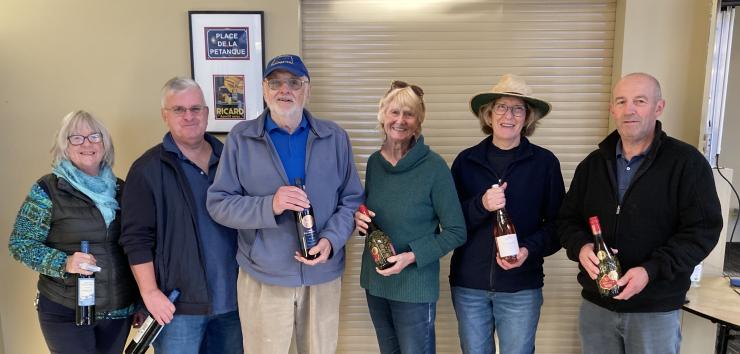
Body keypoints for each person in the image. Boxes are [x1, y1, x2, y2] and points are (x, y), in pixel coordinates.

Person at [206, 54, 363, 354]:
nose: (284, 90)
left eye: (294, 82)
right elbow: (219, 204)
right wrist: (271, 206)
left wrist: (331, 240)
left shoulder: (335, 137)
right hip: (263, 276)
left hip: (322, 276)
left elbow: (352, 199)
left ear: (307, 89)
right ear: (264, 90)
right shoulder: (242, 138)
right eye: (275, 82)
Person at [558, 72, 723, 354]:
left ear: (659, 107)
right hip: (597, 308)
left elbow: (703, 231)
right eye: (621, 101)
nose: (629, 109)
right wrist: (581, 245)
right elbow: (566, 220)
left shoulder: (686, 163)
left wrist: (651, 270)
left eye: (640, 101)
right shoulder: (593, 164)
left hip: (654, 310)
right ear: (612, 109)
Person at [119, 77, 242, 354]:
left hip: (233, 303)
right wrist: (150, 294)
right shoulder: (147, 169)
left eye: (196, 108)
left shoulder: (230, 161)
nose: (189, 116)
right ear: (165, 116)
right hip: (177, 307)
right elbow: (136, 239)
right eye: (179, 110)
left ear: (207, 113)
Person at [448, 74, 565, 354]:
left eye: (517, 108)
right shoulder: (466, 162)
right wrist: (481, 205)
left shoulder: (544, 163)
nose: (508, 115)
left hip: (521, 288)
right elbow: (450, 223)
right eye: (501, 107)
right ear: (488, 115)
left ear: (528, 118)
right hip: (469, 287)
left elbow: (559, 226)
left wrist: (527, 250)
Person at [8, 110, 137, 354]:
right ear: (64, 147)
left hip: (119, 311)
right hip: (65, 309)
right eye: (76, 138)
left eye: (94, 137)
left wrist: (139, 301)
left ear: (105, 144)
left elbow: (135, 248)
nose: (86, 144)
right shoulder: (48, 189)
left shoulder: (123, 189)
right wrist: (64, 262)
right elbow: (21, 244)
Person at [353, 80, 466, 354]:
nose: (400, 120)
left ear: (418, 122)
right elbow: (372, 215)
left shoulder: (434, 167)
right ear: (383, 116)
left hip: (415, 287)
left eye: (409, 114)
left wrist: (411, 256)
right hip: (377, 282)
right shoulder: (374, 163)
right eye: (394, 112)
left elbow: (456, 230)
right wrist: (359, 221)